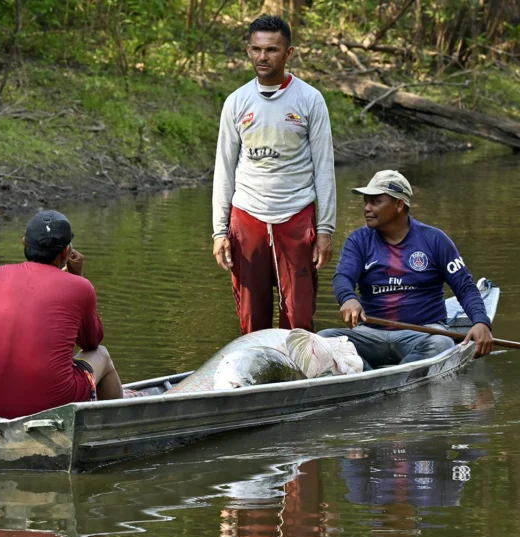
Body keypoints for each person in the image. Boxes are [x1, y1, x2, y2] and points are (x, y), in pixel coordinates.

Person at [0, 210, 124, 419]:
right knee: (102, 354)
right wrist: (79, 278)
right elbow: (91, 342)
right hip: (59, 405)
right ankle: (112, 427)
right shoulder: (80, 287)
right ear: (66, 251)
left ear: (24, 243)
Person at [211, 14, 337, 334]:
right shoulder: (237, 102)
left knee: (299, 316)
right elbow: (224, 170)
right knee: (252, 317)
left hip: (296, 215)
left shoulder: (310, 100)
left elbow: (324, 168)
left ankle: (299, 376)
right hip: (247, 214)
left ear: (289, 53)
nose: (262, 57)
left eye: (271, 50)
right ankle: (259, 378)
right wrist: (218, 232)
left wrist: (325, 230)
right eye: (256, 49)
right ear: (248, 51)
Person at [318, 170, 493, 368]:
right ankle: (365, 374)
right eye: (366, 202)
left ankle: (387, 375)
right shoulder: (358, 240)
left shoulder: (435, 240)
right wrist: (348, 298)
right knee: (321, 341)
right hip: (369, 334)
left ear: (399, 204)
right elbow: (343, 277)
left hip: (424, 334)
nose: (367, 208)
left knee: (442, 343)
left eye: (376, 202)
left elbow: (465, 288)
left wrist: (480, 322)